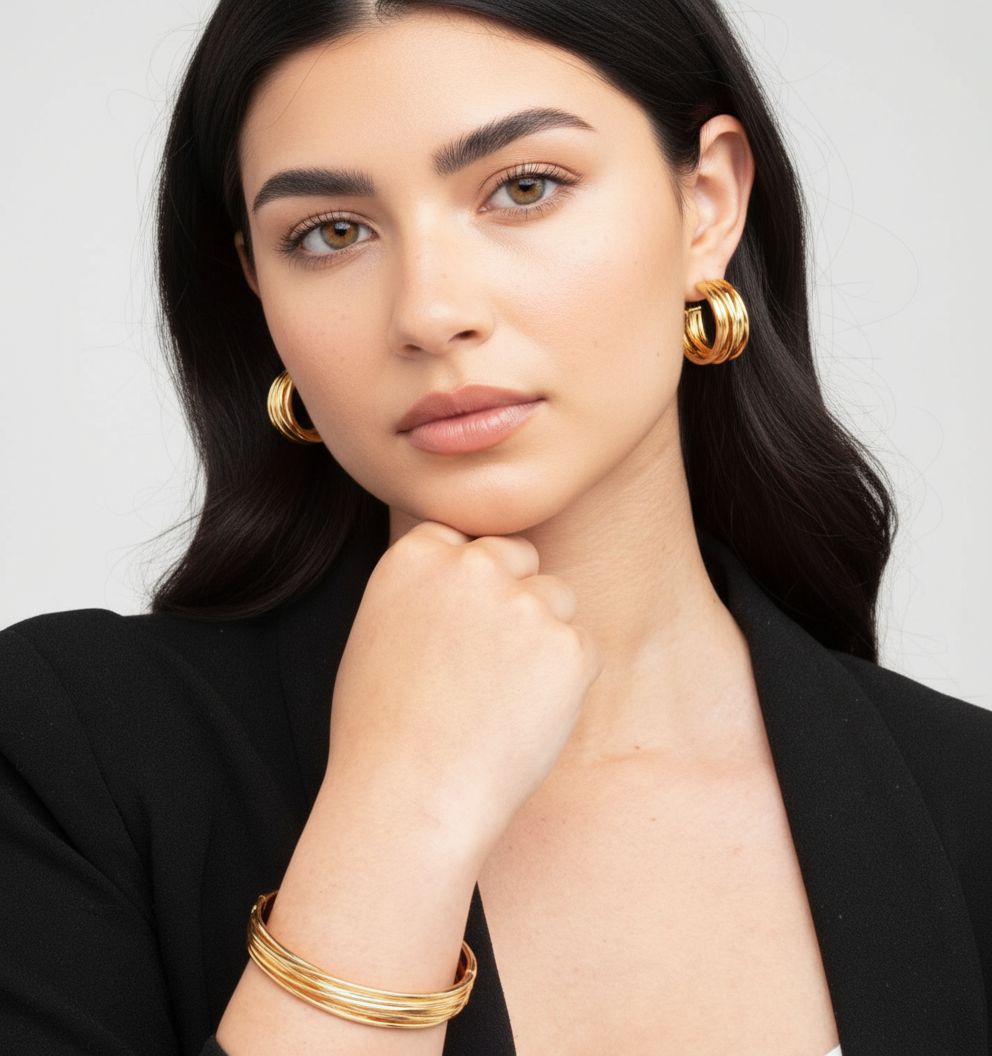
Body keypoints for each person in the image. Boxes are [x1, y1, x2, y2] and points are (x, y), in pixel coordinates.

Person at [1, 0, 989, 1054]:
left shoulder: (963, 804)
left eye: (523, 188)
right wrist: (397, 813)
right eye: (330, 234)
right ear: (258, 288)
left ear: (704, 201)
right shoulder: (68, 755)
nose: (429, 310)